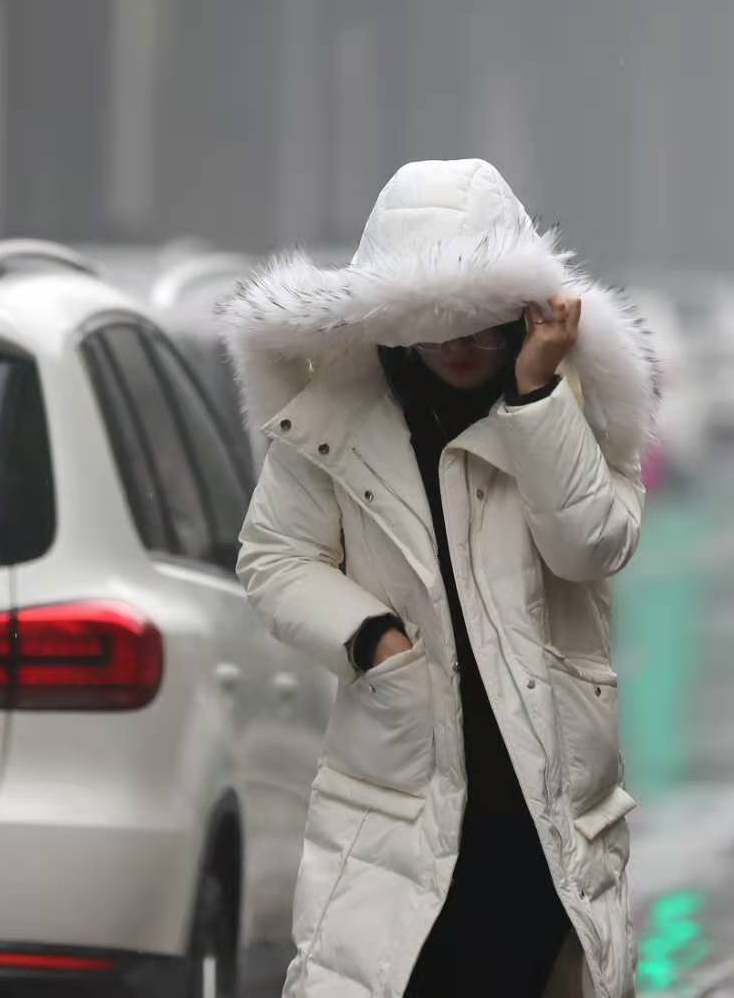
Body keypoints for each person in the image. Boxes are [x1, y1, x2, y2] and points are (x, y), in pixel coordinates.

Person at [220, 159, 657, 998]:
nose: (458, 347)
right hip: (395, 793)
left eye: (481, 324)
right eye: (432, 325)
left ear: (524, 314)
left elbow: (591, 545)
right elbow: (275, 556)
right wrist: (373, 641)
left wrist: (534, 399)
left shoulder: (585, 406)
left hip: (542, 809)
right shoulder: (333, 416)